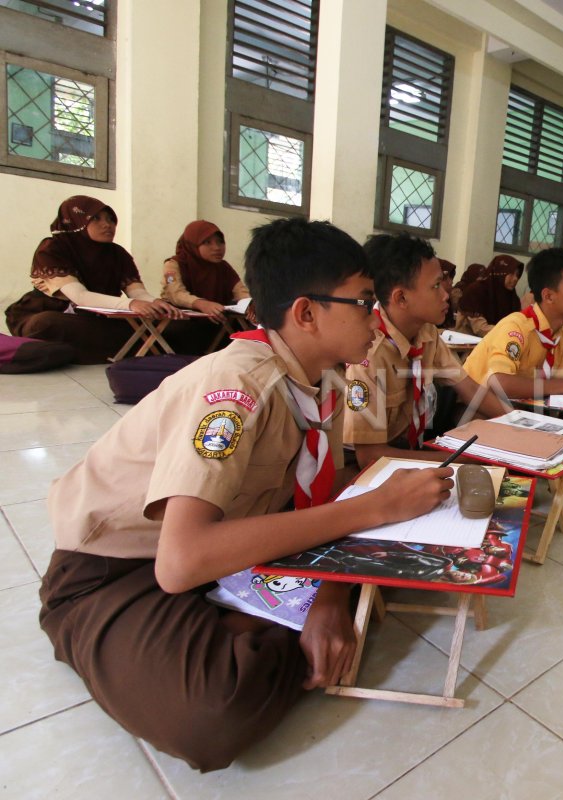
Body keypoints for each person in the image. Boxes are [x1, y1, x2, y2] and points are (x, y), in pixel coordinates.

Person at [38, 218, 454, 772]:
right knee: (212, 715)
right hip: (117, 568)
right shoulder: (236, 388)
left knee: (368, 584)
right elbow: (179, 562)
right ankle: (231, 628)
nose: (375, 319)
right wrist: (374, 508)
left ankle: (266, 620)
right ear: (306, 313)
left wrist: (327, 600)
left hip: (223, 548)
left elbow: (325, 496)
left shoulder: (321, 378)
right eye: (361, 302)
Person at [344, 233, 506, 466]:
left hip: (410, 446)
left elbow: (468, 387)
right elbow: (369, 457)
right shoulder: (368, 354)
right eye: (436, 286)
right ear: (401, 298)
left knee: (484, 426)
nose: (446, 295)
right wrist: (456, 461)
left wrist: (517, 424)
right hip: (361, 464)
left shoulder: (427, 333)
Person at [5, 196, 185, 363]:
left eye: (110, 219)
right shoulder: (53, 248)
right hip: (53, 314)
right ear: (75, 221)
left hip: (99, 318)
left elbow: (136, 291)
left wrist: (158, 304)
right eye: (96, 219)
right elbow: (80, 296)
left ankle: (119, 348)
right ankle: (144, 348)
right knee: (46, 323)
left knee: (173, 326)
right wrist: (131, 304)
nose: (107, 225)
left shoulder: (117, 254)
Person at [462, 247, 563, 401]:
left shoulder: (562, 334)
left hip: (521, 411)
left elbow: (559, 388)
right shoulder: (517, 327)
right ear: (548, 296)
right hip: (475, 409)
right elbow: (499, 382)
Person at [161, 220, 251, 322]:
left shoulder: (223, 267)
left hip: (217, 319)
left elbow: (240, 291)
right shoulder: (173, 264)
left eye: (220, 242)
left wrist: (250, 304)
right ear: (193, 245)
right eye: (207, 242)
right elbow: (175, 293)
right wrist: (201, 304)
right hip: (179, 320)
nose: (217, 248)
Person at [455, 255, 523, 336]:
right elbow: (480, 328)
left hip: (498, 342)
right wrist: (511, 331)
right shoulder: (476, 291)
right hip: (468, 344)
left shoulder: (513, 298)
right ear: (500, 272)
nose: (515, 278)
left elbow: (518, 323)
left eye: (517, 275)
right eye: (511, 274)